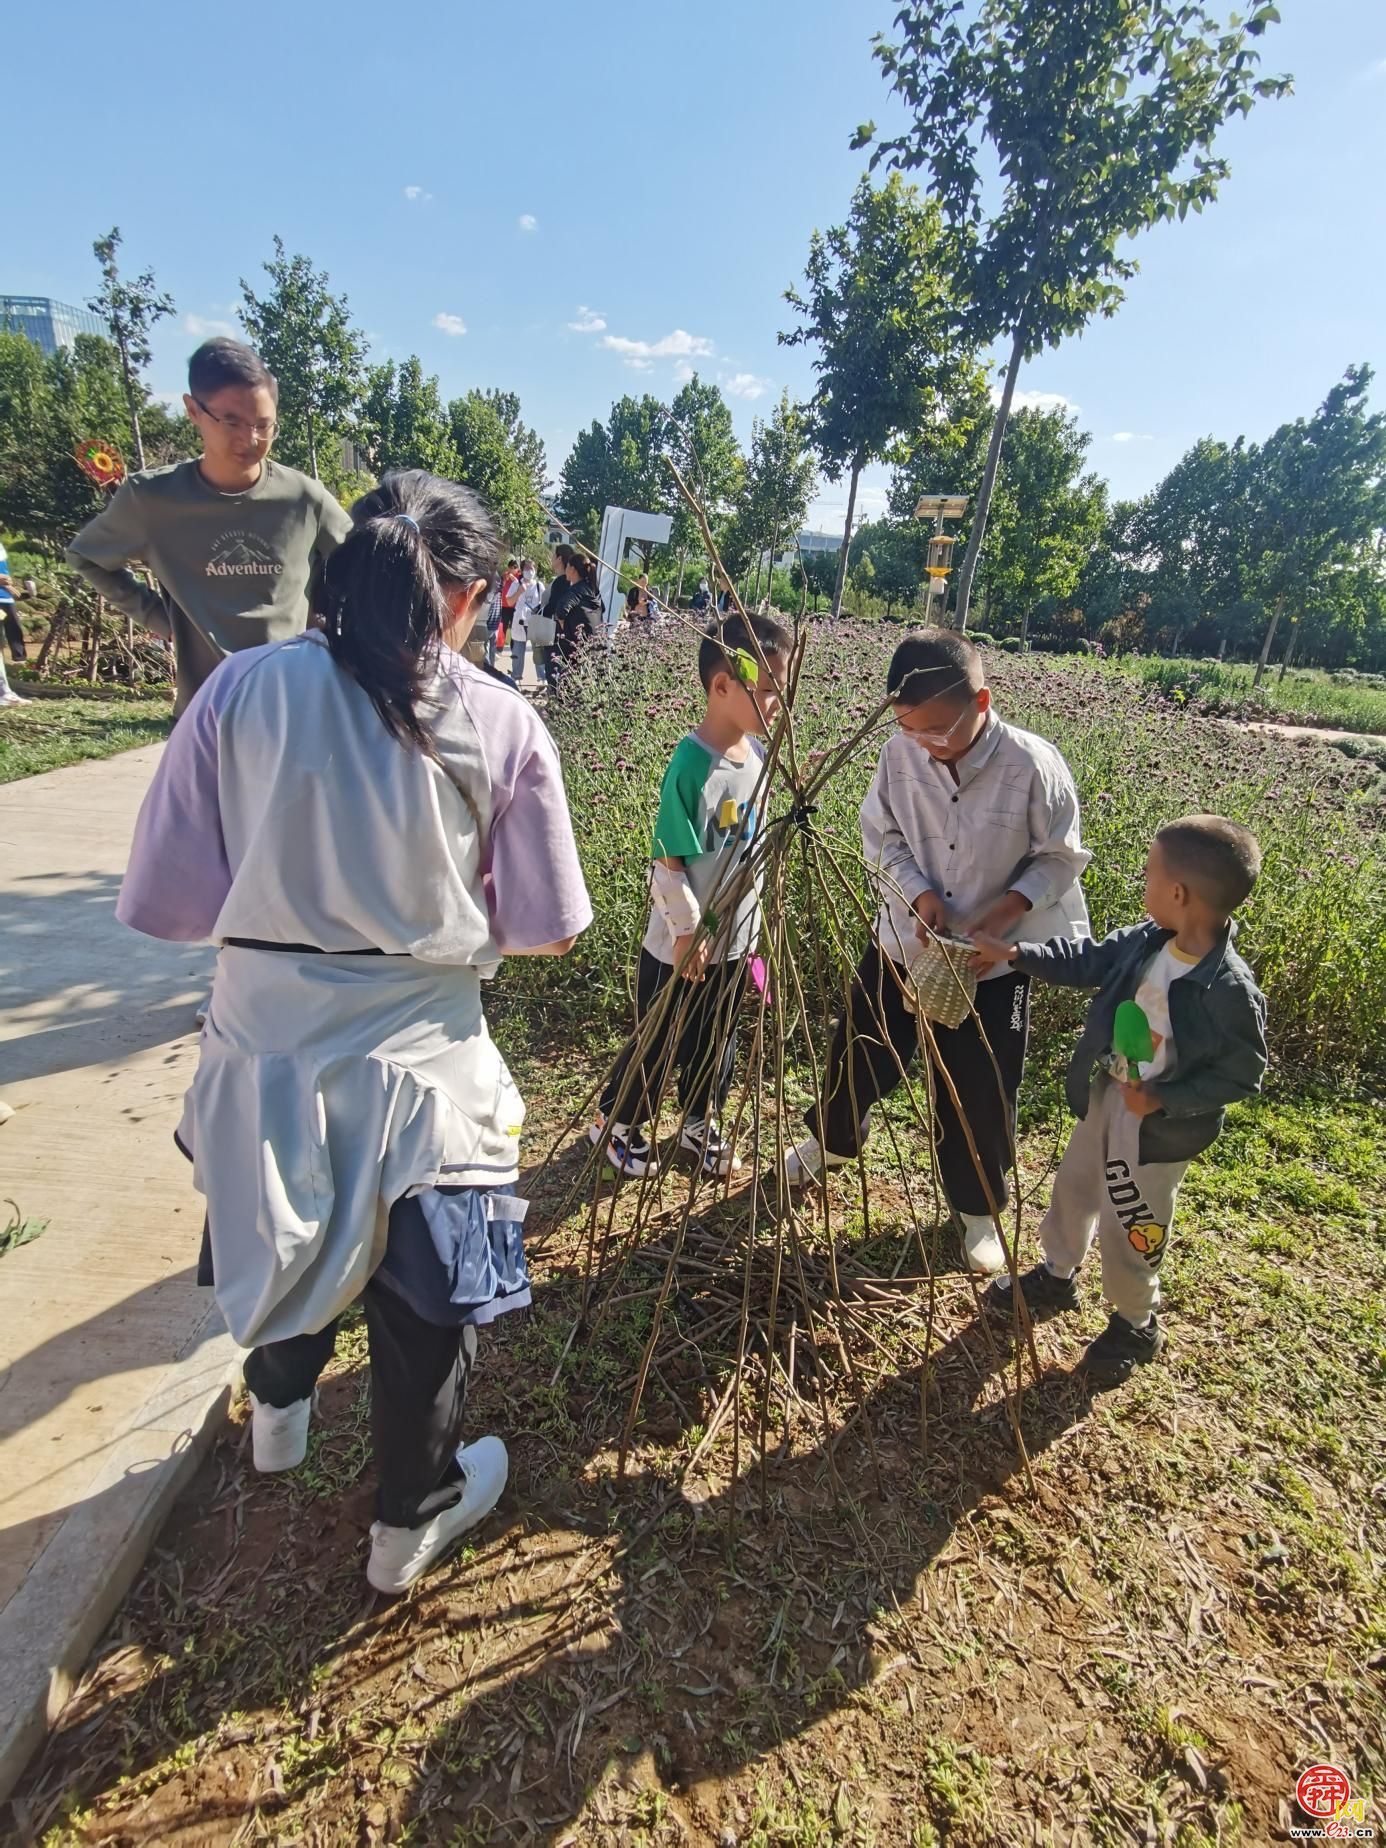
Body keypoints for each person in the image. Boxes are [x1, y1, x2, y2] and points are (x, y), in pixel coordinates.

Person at [115, 470, 592, 1593]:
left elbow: (167, 906)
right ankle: (408, 1522)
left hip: (263, 1046)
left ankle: (278, 1417)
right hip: (426, 1064)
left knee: (282, 1223)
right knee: (428, 1296)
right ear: (469, 598)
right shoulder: (500, 720)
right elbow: (548, 929)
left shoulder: (240, 690)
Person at [784, 629, 1091, 1275]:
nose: (925, 743)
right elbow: (883, 835)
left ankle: (977, 1209)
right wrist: (919, 894)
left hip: (993, 959)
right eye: (909, 729)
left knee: (981, 1084)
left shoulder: (1032, 766)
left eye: (938, 730)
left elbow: (1060, 858)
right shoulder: (899, 754)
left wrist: (1004, 914)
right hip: (907, 937)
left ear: (981, 702)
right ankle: (832, 1140)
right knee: (861, 1046)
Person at [978, 816, 1266, 1383]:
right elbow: (1085, 958)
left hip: (1156, 1129)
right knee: (1076, 1185)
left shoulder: (1230, 990)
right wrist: (1015, 952)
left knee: (1132, 1217)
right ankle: (1057, 1273)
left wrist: (1164, 1098)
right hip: (1109, 1095)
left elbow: (1242, 1075)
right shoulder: (1146, 942)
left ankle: (1136, 1321)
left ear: (1178, 894)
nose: (1143, 882)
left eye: (1150, 873)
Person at [590, 612, 790, 1179]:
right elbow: (668, 861)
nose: (778, 702)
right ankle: (616, 1121)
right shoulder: (690, 765)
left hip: (735, 939)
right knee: (660, 1039)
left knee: (715, 1038)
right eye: (768, 689)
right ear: (722, 685)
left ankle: (700, 1119)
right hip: (680, 944)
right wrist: (686, 930)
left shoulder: (756, 759)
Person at [65, 338, 351, 715]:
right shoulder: (151, 500)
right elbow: (86, 557)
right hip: (206, 714)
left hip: (292, 710)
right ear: (193, 410)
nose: (250, 439)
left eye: (263, 425)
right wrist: (160, 619)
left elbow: (364, 562)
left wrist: (328, 627)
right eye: (231, 421)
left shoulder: (304, 498)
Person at [546, 552, 603, 698]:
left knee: (565, 677)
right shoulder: (593, 589)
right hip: (592, 641)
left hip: (573, 644)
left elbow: (561, 610)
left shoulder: (575, 590)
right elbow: (602, 608)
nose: (566, 570)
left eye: (568, 567)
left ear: (572, 569)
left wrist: (563, 626)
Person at [510, 560, 541, 683]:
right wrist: (519, 592)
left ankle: (542, 678)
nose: (529, 571)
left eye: (532, 568)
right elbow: (509, 602)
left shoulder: (539, 586)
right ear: (522, 571)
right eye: (527, 569)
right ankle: (516, 677)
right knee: (518, 652)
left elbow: (545, 603)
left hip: (535, 623)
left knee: (539, 652)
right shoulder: (516, 584)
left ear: (535, 570)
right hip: (520, 622)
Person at [0, 540, 27, 663]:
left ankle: (19, 659)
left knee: (14, 627)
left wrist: (8, 586)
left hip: (5, 596)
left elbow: (4, 572)